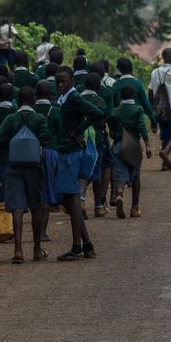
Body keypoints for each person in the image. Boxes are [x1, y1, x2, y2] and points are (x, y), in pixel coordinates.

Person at [0, 86, 51, 263]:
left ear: (17, 101)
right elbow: (46, 137)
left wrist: (12, 147)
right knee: (36, 206)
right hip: (34, 167)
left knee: (18, 207)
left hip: (14, 166)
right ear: (34, 100)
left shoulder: (11, 118)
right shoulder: (39, 118)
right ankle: (37, 248)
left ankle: (18, 249)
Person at [54, 67, 104, 261]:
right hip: (68, 151)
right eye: (58, 81)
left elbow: (97, 113)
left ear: (72, 81)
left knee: (72, 199)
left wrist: (78, 130)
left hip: (71, 153)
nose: (60, 84)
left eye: (64, 81)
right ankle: (87, 245)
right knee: (69, 200)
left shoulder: (73, 98)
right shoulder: (66, 98)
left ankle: (77, 247)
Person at [108, 83, 152, 218]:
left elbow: (112, 132)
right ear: (135, 96)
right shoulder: (138, 110)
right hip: (134, 147)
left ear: (120, 96)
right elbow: (142, 127)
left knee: (120, 175)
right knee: (136, 176)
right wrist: (147, 145)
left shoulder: (115, 111)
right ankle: (135, 207)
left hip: (118, 146)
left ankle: (119, 194)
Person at [81, 72, 114, 217]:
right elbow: (103, 120)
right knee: (97, 173)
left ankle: (78, 201)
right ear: (98, 86)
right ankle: (98, 205)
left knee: (81, 171)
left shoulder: (77, 99)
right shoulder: (100, 101)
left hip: (78, 138)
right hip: (96, 139)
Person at [34, 80, 62, 244]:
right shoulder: (56, 111)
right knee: (46, 192)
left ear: (36, 95)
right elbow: (61, 133)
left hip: (29, 152)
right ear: (51, 95)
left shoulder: (31, 110)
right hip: (51, 152)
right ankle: (42, 232)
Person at [111, 57, 156, 128]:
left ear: (119, 70)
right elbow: (146, 105)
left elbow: (112, 106)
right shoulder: (137, 83)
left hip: (119, 123)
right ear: (131, 68)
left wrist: (112, 127)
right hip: (134, 123)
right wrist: (153, 122)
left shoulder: (115, 85)